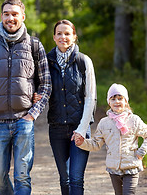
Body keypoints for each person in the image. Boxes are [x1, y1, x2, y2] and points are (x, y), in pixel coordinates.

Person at [0, 0, 52, 195]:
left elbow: (47, 84)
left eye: (14, 14)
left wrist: (32, 114)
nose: (10, 18)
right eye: (6, 14)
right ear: (1, 16)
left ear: (23, 17)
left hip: (24, 120)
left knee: (22, 176)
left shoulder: (34, 45)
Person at [76, 83, 147, 195]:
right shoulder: (104, 123)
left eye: (120, 98)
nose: (117, 102)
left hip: (131, 166)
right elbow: (96, 144)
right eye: (113, 99)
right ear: (109, 102)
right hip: (113, 168)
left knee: (129, 193)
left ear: (126, 102)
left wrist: (142, 151)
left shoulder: (134, 120)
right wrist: (82, 143)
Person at [46, 19, 96, 195]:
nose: (63, 37)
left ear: (74, 37)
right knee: (64, 178)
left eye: (67, 33)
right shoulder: (46, 62)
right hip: (57, 129)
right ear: (54, 37)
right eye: (59, 33)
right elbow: (42, 90)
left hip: (79, 128)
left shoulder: (84, 61)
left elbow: (91, 97)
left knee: (76, 178)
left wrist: (82, 129)